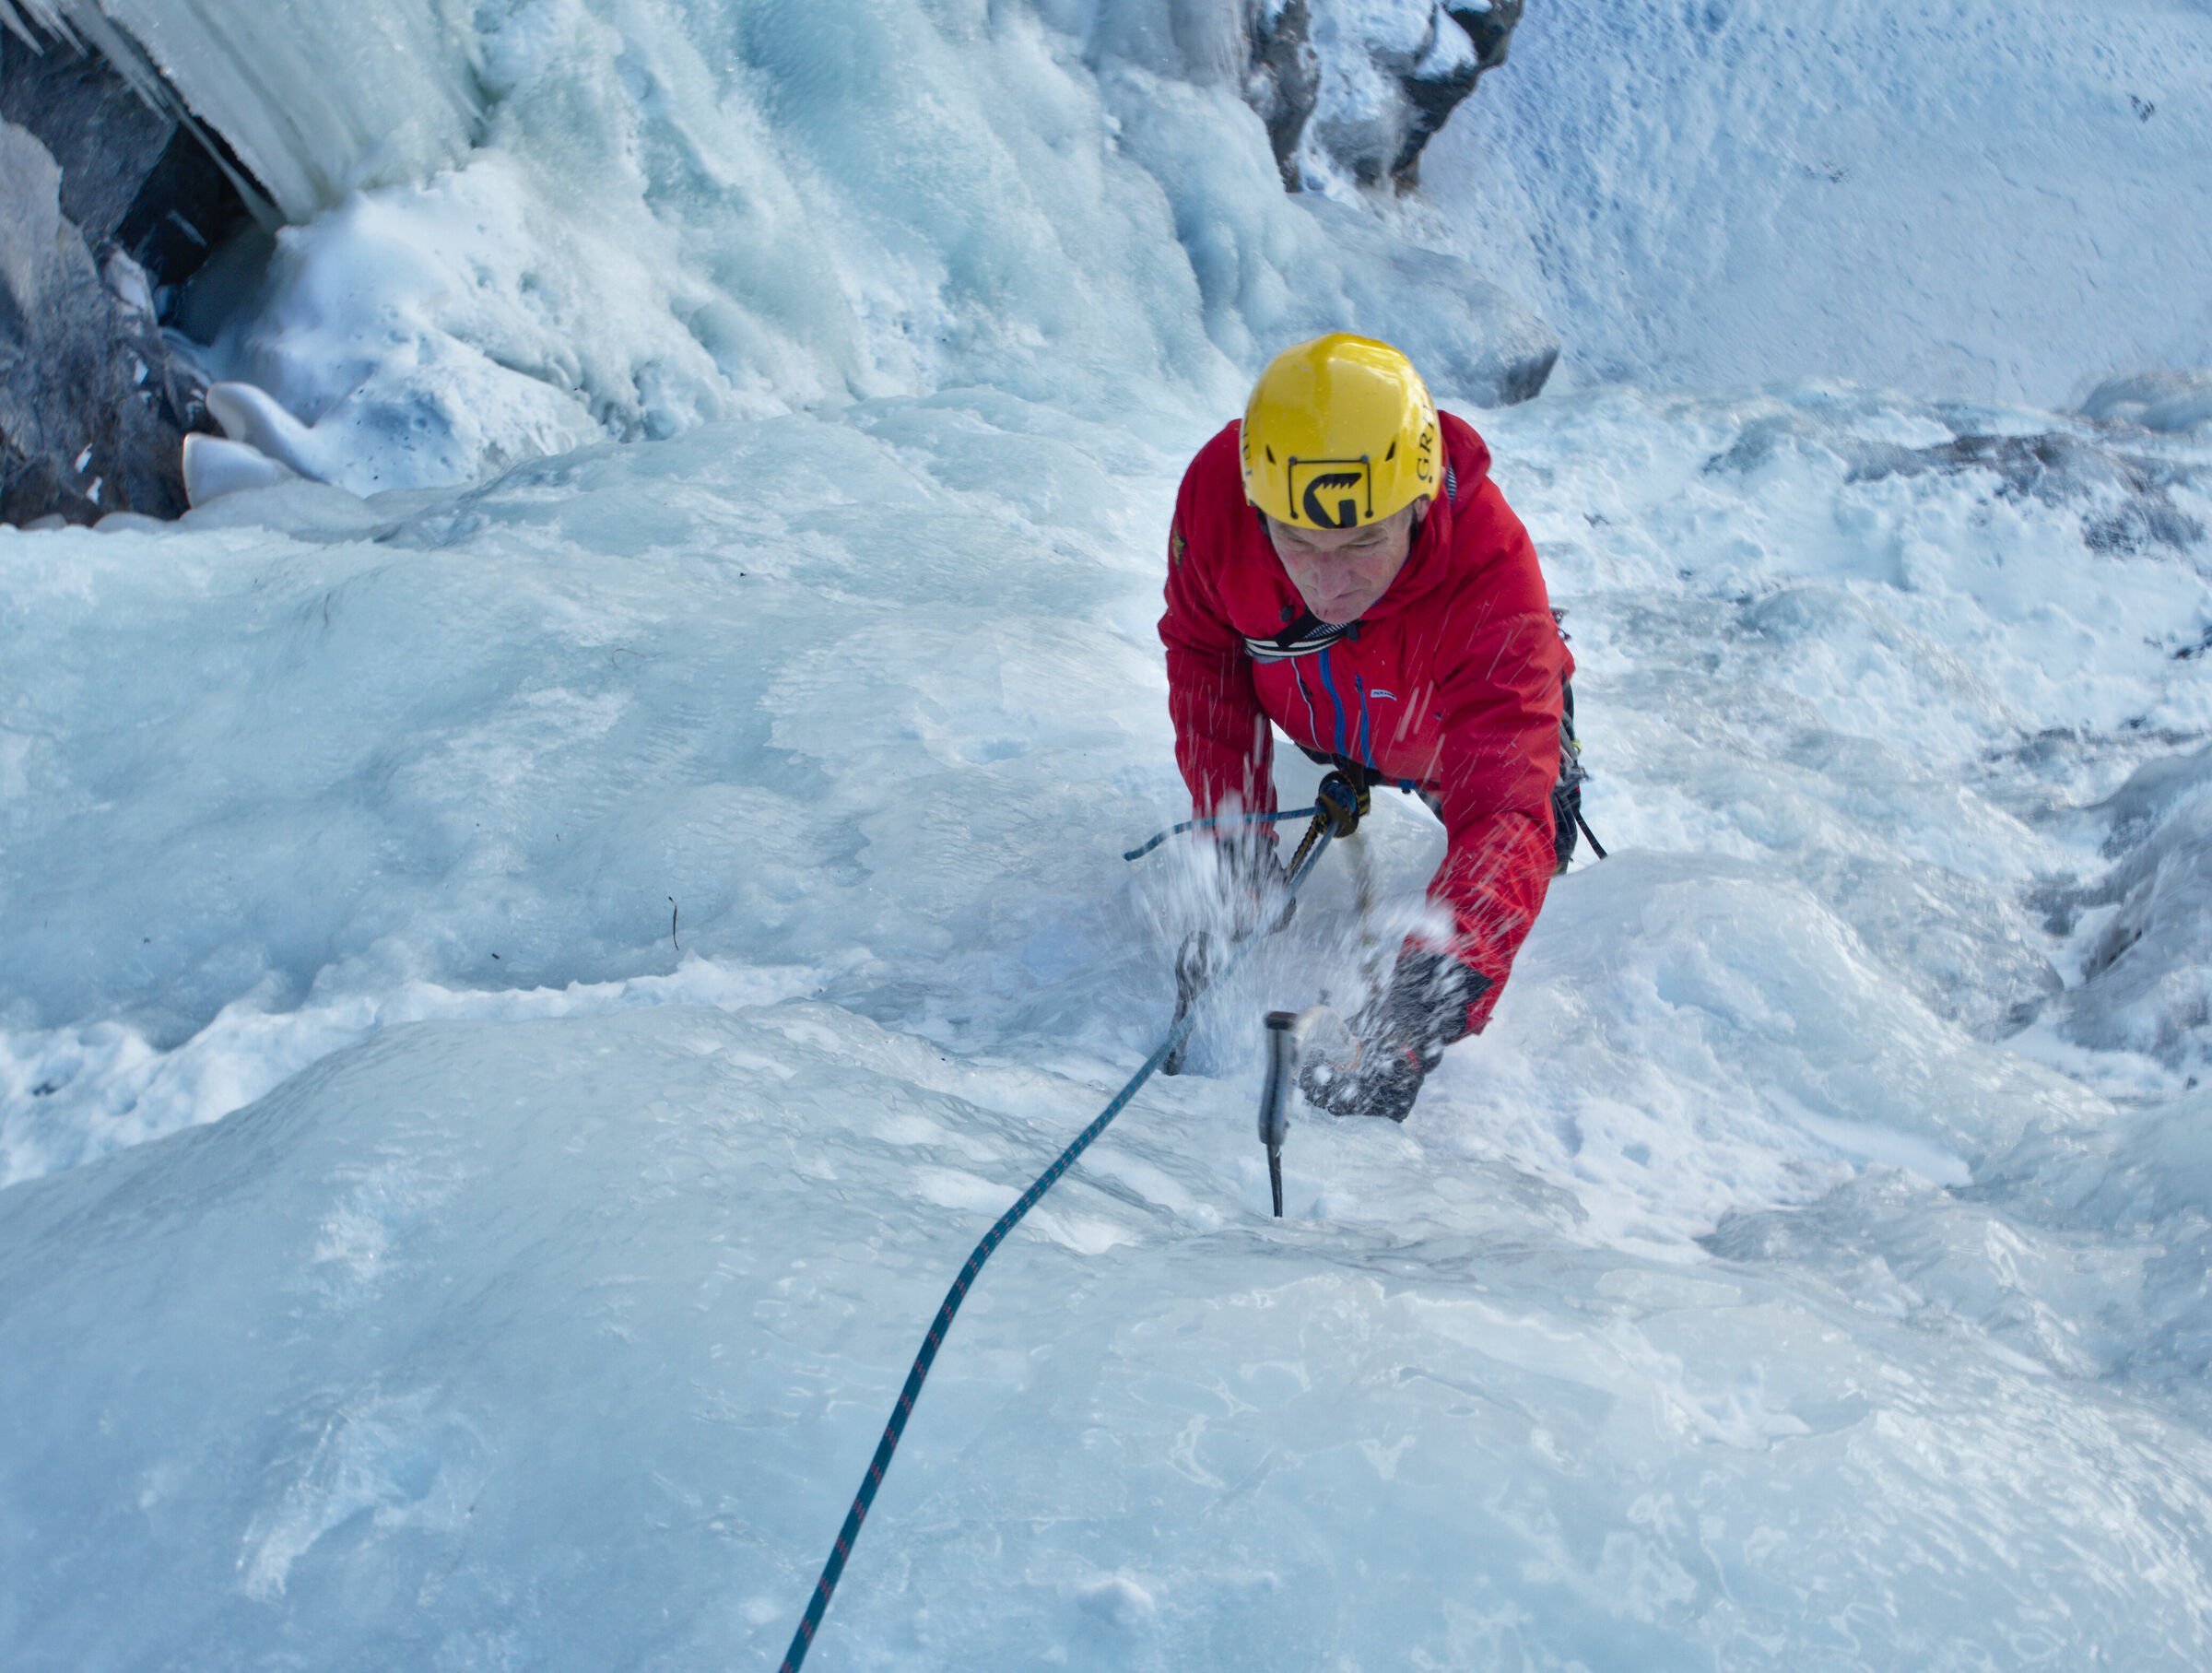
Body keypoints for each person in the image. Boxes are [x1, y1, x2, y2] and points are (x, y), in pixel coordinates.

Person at [1159, 332, 1573, 1123]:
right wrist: (1237, 851)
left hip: (1441, 724)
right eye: (1298, 540)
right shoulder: (1218, 500)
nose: (1327, 577)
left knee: (1541, 815)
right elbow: (1206, 658)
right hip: (1318, 703)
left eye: (1361, 542)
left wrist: (1419, 1005)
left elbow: (1503, 814)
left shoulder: (1492, 570)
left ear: (1420, 505)